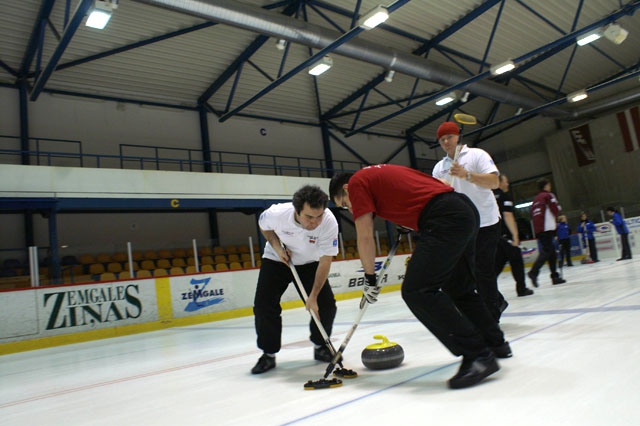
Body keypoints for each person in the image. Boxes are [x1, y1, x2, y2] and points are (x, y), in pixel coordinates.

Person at [329, 164, 511, 390]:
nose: (349, 208)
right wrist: (409, 218)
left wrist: (369, 278)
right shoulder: (376, 175)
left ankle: (478, 355)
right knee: (459, 287)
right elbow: (436, 186)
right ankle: (496, 343)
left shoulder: (357, 183)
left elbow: (365, 236)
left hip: (444, 218)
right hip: (463, 210)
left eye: (344, 203)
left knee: (417, 291)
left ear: (347, 188)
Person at [251, 185, 339, 374]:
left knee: (326, 306)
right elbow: (264, 226)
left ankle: (320, 346)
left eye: (319, 216)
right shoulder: (276, 214)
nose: (315, 222)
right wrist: (277, 247)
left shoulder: (329, 221)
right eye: (309, 217)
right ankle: (268, 353)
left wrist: (313, 296)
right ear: (296, 210)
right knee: (264, 306)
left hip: (310, 263)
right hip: (276, 261)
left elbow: (326, 260)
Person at [432, 121, 507, 321]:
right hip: (462, 227)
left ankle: (491, 317)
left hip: (487, 222)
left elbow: (494, 182)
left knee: (483, 270)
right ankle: (497, 301)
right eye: (442, 139)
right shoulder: (439, 168)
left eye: (449, 137)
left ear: (458, 136)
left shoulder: (477, 155)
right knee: (466, 273)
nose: (446, 142)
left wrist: (466, 175)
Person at [494, 174, 534, 297]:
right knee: (516, 262)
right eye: (505, 182)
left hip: (495, 235)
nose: (507, 184)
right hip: (507, 236)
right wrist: (515, 235)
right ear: (500, 183)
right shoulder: (505, 197)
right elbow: (508, 215)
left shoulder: (490, 195)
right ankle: (521, 288)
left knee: (496, 264)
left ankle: (484, 289)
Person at [527, 178, 566, 287]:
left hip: (539, 228)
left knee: (551, 252)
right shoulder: (548, 195)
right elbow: (555, 209)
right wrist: (559, 208)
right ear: (546, 186)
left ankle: (554, 276)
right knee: (547, 251)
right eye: (549, 185)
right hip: (547, 228)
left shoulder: (536, 199)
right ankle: (533, 272)